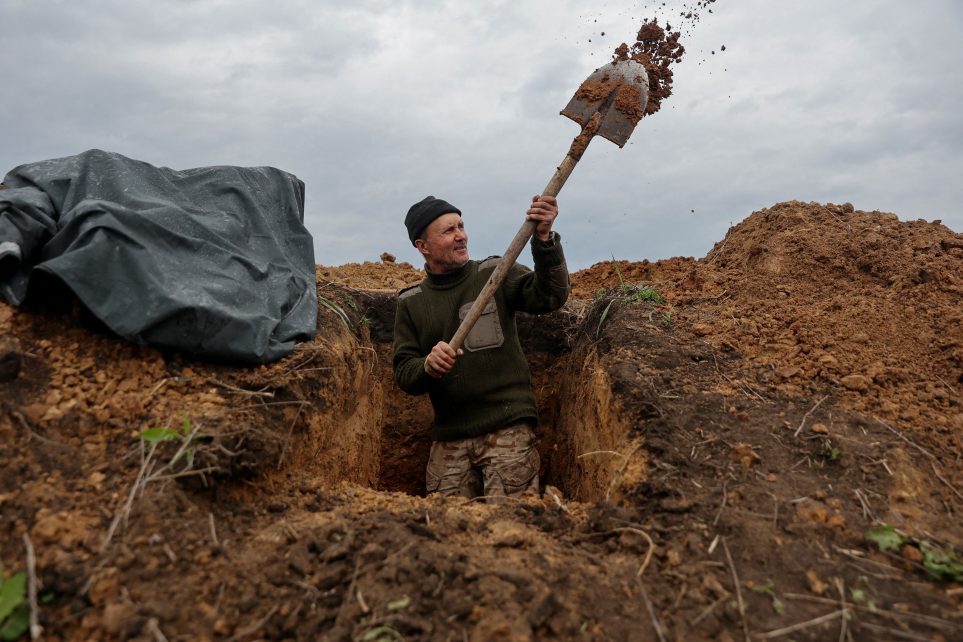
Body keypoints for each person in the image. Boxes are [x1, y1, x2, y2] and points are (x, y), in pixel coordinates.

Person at [392, 194, 570, 498]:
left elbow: (550, 296)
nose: (461, 235)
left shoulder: (494, 274)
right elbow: (404, 373)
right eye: (448, 231)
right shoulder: (411, 303)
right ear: (423, 246)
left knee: (512, 527)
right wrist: (427, 366)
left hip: (508, 430)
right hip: (449, 440)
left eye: (460, 226)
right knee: (443, 530)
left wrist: (543, 240)